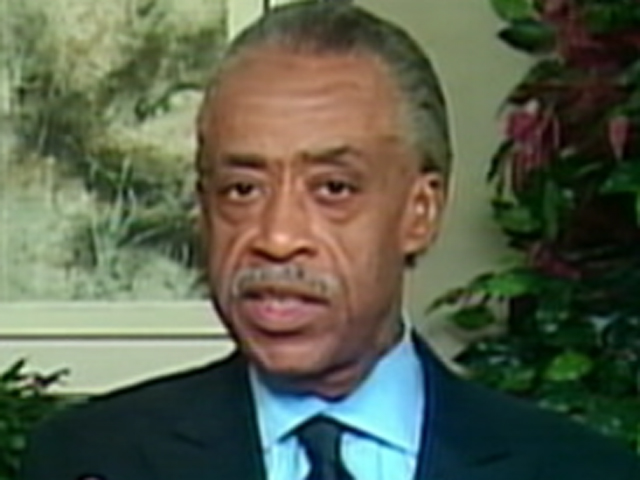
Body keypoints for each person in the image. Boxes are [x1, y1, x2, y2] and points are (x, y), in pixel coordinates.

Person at [19, 2, 640, 480]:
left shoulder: (579, 470)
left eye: (333, 188)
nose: (276, 237)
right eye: (241, 189)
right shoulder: (88, 459)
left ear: (420, 212)